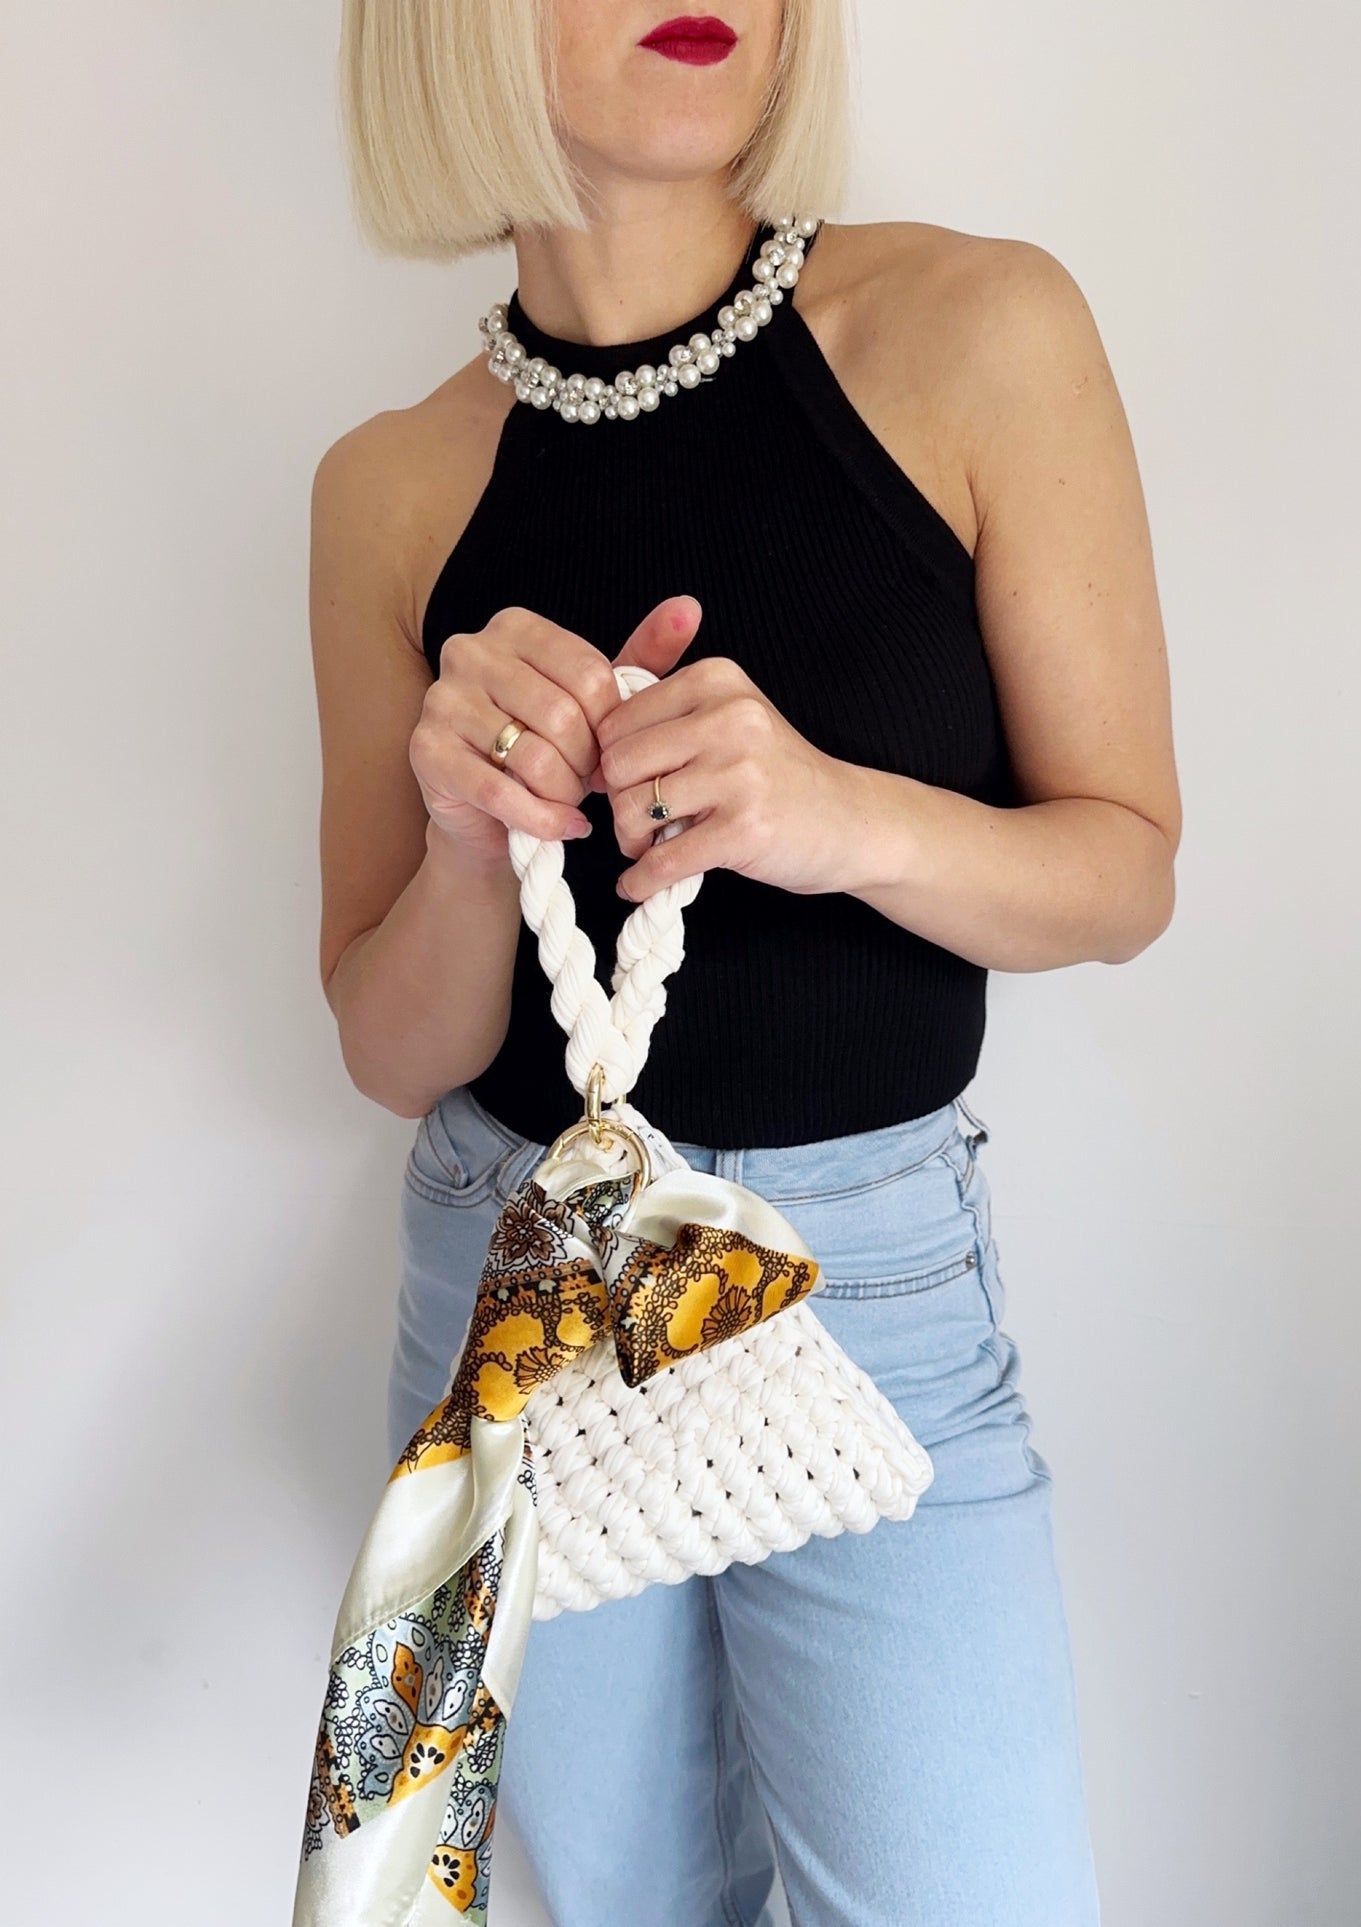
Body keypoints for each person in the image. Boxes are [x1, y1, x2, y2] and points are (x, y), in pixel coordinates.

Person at [308, 2, 1181, 1921]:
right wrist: (464, 842)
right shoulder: (388, 483)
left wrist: (830, 815)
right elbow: (386, 1043)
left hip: (868, 1281)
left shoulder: (976, 332)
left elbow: (1123, 873)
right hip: (515, 1282)